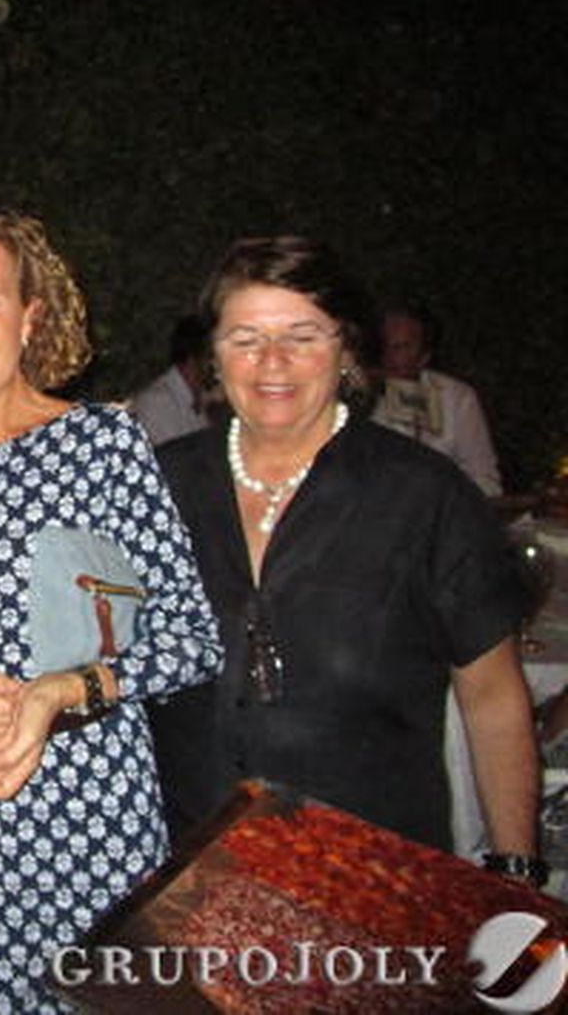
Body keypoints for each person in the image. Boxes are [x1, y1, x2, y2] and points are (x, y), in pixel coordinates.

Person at [0, 203, 222, 1014]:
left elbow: (190, 638)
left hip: (87, 817)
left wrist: (61, 692)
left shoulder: (101, 446)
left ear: (30, 317)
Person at [150, 237, 541, 878]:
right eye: (245, 338)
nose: (272, 362)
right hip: (193, 883)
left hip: (373, 883)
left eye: (303, 336)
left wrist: (517, 871)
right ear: (213, 357)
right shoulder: (158, 487)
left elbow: (493, 697)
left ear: (346, 351)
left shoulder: (424, 496)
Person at [373, 300, 503, 496]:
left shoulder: (457, 398)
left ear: (424, 356)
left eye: (400, 348)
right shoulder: (351, 396)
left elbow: (485, 480)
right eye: (383, 345)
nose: (387, 356)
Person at [128, 312, 213, 445]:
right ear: (193, 360)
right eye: (213, 357)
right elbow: (180, 461)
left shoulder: (197, 399)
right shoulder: (157, 402)